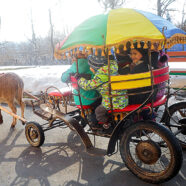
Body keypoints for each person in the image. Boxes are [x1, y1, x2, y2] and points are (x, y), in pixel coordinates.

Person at [77, 55, 128, 132]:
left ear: (94, 67)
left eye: (90, 67)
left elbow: (88, 85)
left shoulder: (101, 76)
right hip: (123, 99)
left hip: (113, 102)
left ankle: (107, 124)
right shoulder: (112, 69)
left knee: (98, 111)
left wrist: (79, 79)